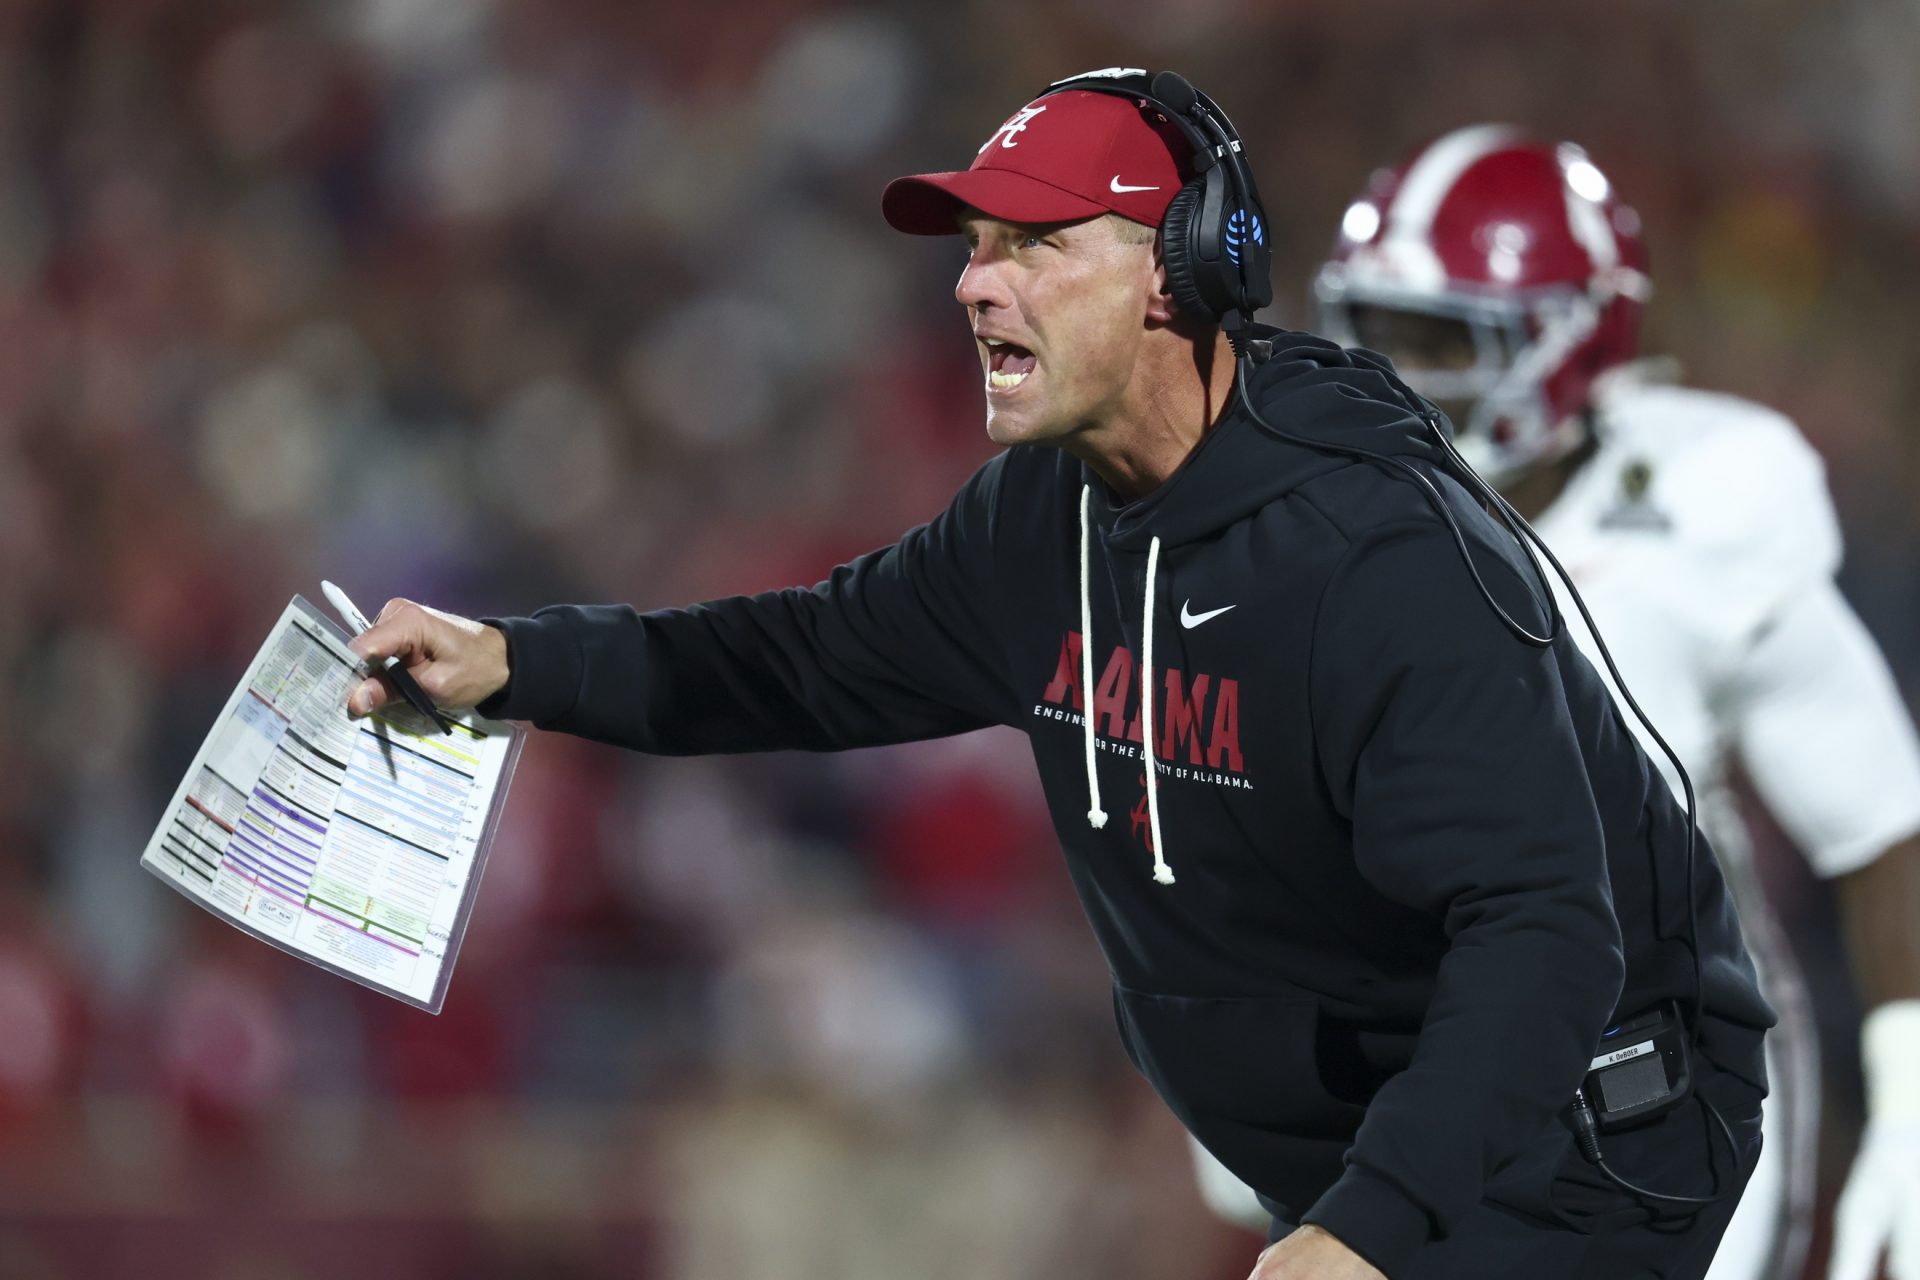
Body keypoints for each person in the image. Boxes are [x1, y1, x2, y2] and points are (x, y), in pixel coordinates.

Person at [343, 75, 1773, 1279]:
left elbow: (1544, 942)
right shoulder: (1042, 512)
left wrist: (1366, 1234)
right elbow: (805, 660)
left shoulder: (1371, 556)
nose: (975, 283)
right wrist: (521, 665)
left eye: (1033, 246)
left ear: (1181, 270)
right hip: (1375, 1143)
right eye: (973, 246)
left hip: (1581, 1133)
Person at [1214, 124, 1918, 1280]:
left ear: (1570, 343)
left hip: (1660, 1071)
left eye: (1443, 339)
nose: (1397, 374)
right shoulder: (1293, 518)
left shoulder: (1704, 514)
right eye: (1378, 331)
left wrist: (1910, 1099)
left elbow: (1879, 819)